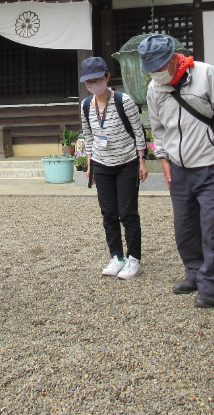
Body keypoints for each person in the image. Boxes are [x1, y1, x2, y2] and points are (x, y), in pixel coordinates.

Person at [139, 34, 214, 308]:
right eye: (151, 69)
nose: (157, 74)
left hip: (212, 165)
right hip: (179, 169)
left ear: (175, 58)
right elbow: (158, 129)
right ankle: (194, 273)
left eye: (161, 66)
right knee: (184, 228)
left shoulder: (207, 74)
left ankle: (210, 285)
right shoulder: (154, 89)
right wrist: (163, 159)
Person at [79, 57, 148, 280]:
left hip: (127, 163)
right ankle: (116, 256)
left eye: (97, 80)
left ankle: (134, 258)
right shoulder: (86, 105)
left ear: (107, 77)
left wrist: (142, 160)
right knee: (108, 213)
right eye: (88, 82)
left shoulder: (123, 101)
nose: (93, 85)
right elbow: (88, 135)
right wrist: (89, 162)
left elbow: (138, 131)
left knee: (128, 213)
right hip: (101, 164)